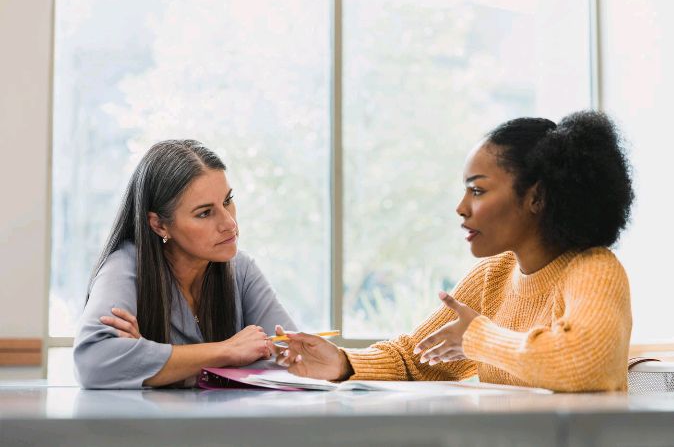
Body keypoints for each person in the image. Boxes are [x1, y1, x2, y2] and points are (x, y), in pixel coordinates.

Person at [277, 111, 634, 392]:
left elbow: (583, 363)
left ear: (536, 197)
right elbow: (417, 360)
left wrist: (477, 338)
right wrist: (342, 362)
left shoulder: (594, 269)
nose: (461, 207)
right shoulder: (493, 276)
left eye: (477, 191)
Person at [74, 140, 296, 388]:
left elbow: (292, 360)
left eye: (227, 201)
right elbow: (93, 363)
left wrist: (150, 360)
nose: (229, 223)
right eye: (204, 213)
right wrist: (226, 351)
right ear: (159, 225)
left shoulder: (240, 269)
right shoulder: (126, 266)